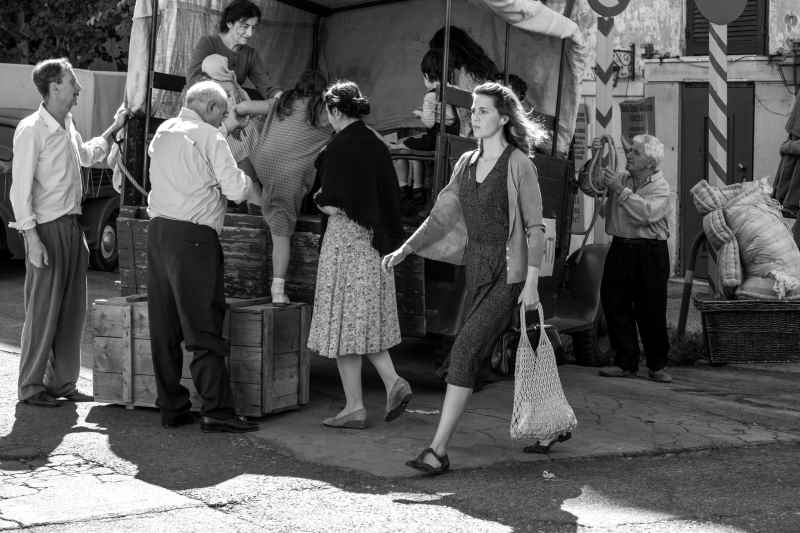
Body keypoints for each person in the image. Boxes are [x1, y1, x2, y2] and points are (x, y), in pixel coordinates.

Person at [382, 82, 548, 474]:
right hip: (477, 268)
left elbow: (535, 228)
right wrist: (406, 249)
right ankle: (550, 425)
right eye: (473, 110)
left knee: (464, 352)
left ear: (504, 118)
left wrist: (531, 282)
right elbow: (440, 217)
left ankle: (437, 451)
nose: (475, 117)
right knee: (500, 352)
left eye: (484, 111)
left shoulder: (519, 164)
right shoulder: (466, 163)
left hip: (509, 273)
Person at [9, 58, 128, 407]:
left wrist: (113, 129)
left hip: (72, 228)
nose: (78, 87)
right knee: (43, 311)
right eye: (72, 81)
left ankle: (62, 384)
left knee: (72, 312)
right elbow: (19, 190)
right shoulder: (32, 129)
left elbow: (86, 155)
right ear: (54, 86)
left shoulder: (67, 124)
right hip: (47, 228)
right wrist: (31, 238)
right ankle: (31, 388)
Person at [146, 80, 263, 432]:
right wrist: (256, 191)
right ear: (211, 109)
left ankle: (171, 407)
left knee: (164, 327)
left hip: (159, 233)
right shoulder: (211, 137)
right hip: (195, 237)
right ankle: (217, 410)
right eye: (222, 112)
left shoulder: (164, 131)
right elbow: (234, 188)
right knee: (203, 325)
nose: (224, 118)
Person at [307, 80, 412, 429]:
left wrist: (319, 200)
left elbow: (335, 201)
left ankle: (357, 405)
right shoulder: (377, 144)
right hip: (376, 245)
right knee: (360, 325)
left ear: (335, 110)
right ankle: (389, 384)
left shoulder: (339, 147)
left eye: (327, 110)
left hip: (345, 244)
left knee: (343, 326)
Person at [590, 134, 674, 383]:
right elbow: (591, 184)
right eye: (629, 151)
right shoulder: (622, 179)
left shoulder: (662, 188)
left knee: (651, 308)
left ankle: (657, 364)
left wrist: (620, 191)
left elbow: (646, 214)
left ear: (649, 162)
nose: (629, 155)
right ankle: (625, 362)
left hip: (650, 251)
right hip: (621, 246)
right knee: (615, 302)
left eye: (635, 153)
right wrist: (595, 155)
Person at [247, 70, 331, 304]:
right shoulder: (323, 109)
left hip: (262, 163)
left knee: (243, 136)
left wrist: (236, 110)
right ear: (324, 91)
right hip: (288, 175)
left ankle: (249, 191)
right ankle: (278, 290)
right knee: (281, 235)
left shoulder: (284, 101)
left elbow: (246, 108)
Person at [186, 0, 280, 178]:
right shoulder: (209, 43)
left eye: (253, 27)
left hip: (232, 110)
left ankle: (252, 190)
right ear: (229, 23)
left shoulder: (249, 54)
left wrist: (281, 97)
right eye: (244, 26)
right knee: (241, 138)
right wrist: (224, 91)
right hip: (205, 111)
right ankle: (248, 192)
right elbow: (193, 79)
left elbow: (266, 85)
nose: (250, 33)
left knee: (253, 132)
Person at [393, 49, 458, 211]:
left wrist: (420, 113)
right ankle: (418, 189)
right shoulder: (454, 91)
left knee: (400, 145)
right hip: (452, 137)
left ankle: (405, 189)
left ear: (427, 76)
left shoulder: (430, 96)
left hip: (435, 140)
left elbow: (429, 123)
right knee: (413, 142)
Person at [429, 26, 500, 137]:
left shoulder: (466, 74)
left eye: (440, 55)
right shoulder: (482, 66)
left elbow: (467, 115)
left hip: (474, 137)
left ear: (449, 51)